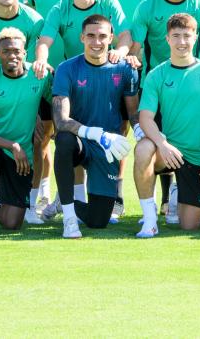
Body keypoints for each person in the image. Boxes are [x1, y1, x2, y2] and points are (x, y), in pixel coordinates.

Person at [133, 13, 200, 236]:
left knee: (189, 226)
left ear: (196, 38)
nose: (181, 41)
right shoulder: (156, 74)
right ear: (167, 39)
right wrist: (162, 144)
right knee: (144, 147)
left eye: (187, 35)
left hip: (198, 157)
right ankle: (150, 218)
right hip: (168, 153)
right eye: (176, 36)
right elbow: (145, 117)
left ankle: (178, 192)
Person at [49, 15, 139, 238]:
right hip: (81, 141)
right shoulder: (66, 68)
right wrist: (96, 134)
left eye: (102, 36)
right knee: (63, 140)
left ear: (111, 38)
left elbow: (133, 114)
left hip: (107, 149)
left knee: (98, 222)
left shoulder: (126, 69)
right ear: (82, 37)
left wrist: (142, 134)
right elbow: (61, 121)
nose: (96, 42)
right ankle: (69, 218)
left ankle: (65, 201)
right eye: (90, 36)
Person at [0, 28, 52, 238]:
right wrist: (12, 146)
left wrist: (43, 120)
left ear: (25, 53)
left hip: (23, 157)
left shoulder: (39, 75)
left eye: (16, 51)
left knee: (12, 223)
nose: (12, 55)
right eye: (6, 51)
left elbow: (56, 102)